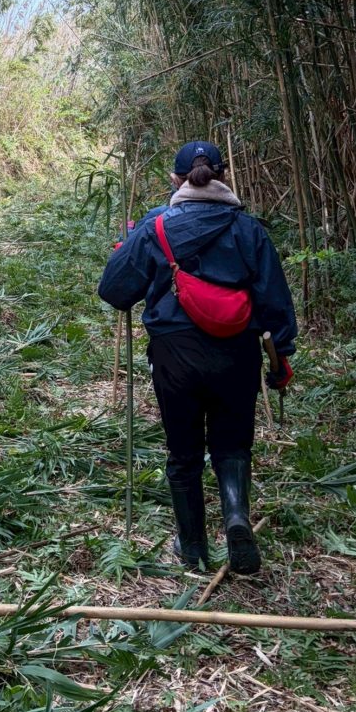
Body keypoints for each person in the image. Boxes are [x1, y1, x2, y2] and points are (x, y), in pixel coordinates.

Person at [98, 140, 297, 575]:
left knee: (183, 452)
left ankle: (192, 547)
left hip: (174, 355)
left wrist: (125, 251)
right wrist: (281, 356)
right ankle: (236, 517)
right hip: (236, 352)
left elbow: (113, 291)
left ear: (176, 179)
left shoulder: (155, 227)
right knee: (232, 444)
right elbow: (275, 301)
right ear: (223, 175)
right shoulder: (249, 230)